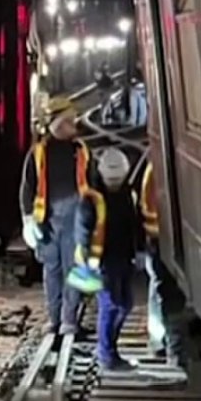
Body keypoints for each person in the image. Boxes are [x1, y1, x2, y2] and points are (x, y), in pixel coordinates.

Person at [20, 97, 94, 335]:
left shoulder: (81, 151)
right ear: (59, 123)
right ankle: (55, 319)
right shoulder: (39, 153)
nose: (74, 124)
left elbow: (93, 185)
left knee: (72, 267)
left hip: (76, 218)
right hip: (48, 220)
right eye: (70, 120)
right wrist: (28, 218)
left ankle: (68, 320)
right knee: (52, 269)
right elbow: (27, 186)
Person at [72, 148, 139, 372]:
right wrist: (89, 258)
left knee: (125, 305)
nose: (114, 183)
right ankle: (107, 355)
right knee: (110, 306)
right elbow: (82, 231)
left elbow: (133, 222)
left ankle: (110, 349)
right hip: (102, 261)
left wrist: (139, 249)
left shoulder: (127, 193)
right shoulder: (91, 199)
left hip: (123, 257)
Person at [136, 160, 183, 367]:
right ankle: (166, 346)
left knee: (159, 291)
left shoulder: (153, 170)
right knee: (165, 292)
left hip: (159, 240)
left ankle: (160, 343)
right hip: (159, 241)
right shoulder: (155, 173)